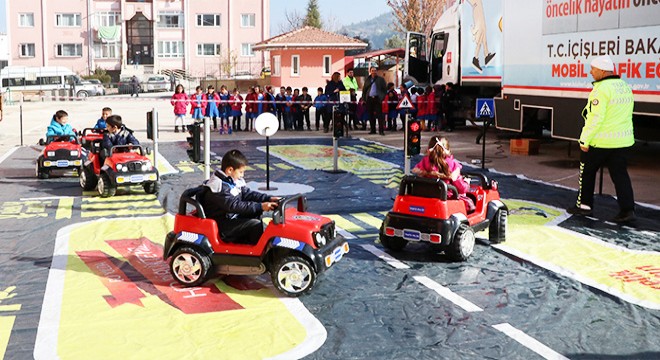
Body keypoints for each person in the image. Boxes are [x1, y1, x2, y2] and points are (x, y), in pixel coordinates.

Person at [566, 55, 636, 223]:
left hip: (601, 142)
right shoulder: (625, 86)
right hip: (622, 142)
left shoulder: (601, 90)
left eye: (593, 69)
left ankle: (585, 206)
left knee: (587, 172)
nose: (591, 72)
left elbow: (595, 118)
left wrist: (584, 140)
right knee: (620, 176)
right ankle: (627, 210)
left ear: (603, 71)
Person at [198, 149, 279, 245]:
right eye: (240, 172)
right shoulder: (218, 186)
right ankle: (255, 254)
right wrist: (260, 206)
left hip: (232, 217)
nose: (242, 175)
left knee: (256, 213)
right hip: (222, 224)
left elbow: (247, 193)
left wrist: (268, 198)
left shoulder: (231, 180)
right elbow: (233, 205)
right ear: (230, 170)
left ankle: (248, 243)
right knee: (255, 224)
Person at [412, 136, 474, 212]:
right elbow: (461, 188)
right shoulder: (452, 165)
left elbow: (416, 171)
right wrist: (467, 183)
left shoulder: (424, 162)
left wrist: (430, 174)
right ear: (448, 149)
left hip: (426, 196)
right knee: (470, 204)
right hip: (446, 199)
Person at [362, 66, 387, 134]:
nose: (374, 72)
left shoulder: (380, 79)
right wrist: (364, 99)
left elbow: (385, 89)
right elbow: (364, 90)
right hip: (369, 99)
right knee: (370, 115)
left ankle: (381, 130)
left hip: (377, 99)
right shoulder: (368, 79)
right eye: (372, 71)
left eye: (375, 70)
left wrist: (382, 97)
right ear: (370, 71)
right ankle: (373, 130)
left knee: (379, 115)